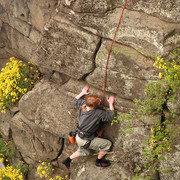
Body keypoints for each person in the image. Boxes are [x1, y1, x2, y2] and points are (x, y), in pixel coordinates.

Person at [62, 86, 115, 169]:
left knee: (84, 151)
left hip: (78, 137)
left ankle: (67, 160)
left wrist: (83, 92)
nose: (100, 100)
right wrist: (110, 104)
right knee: (107, 144)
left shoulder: (83, 105)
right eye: (98, 101)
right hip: (86, 140)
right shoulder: (98, 113)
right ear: (95, 105)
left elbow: (75, 100)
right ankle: (99, 161)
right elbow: (111, 117)